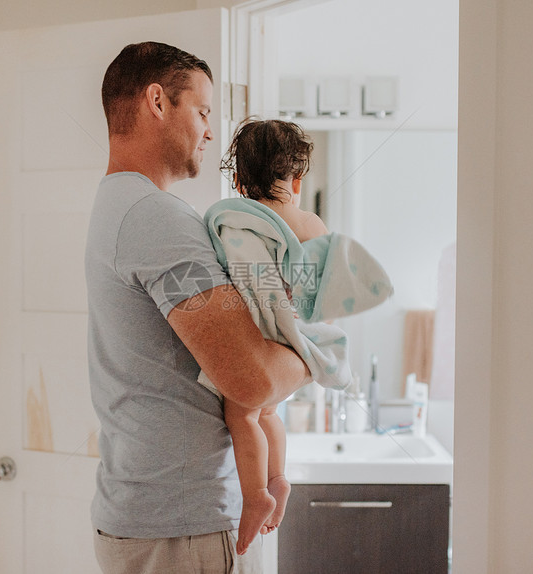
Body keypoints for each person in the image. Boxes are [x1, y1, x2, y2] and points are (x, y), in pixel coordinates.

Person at [86, 42, 312, 574]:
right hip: (177, 530)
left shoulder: (119, 204)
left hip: (151, 518)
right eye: (204, 111)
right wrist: (319, 352)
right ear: (157, 102)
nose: (211, 131)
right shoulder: (154, 218)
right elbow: (252, 381)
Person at [200, 118, 395, 555]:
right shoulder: (309, 222)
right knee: (269, 413)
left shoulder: (234, 219)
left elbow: (234, 274)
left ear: (237, 179)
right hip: (295, 338)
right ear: (297, 179)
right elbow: (321, 290)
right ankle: (279, 479)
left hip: (261, 334)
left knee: (244, 416)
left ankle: (257, 497)